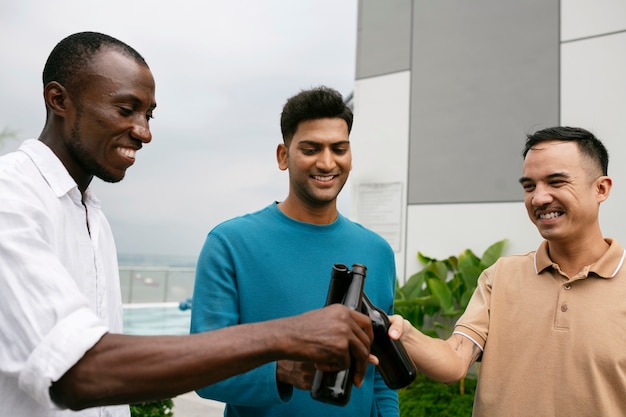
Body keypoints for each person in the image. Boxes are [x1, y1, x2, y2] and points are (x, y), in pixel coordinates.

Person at [0, 32, 376, 417]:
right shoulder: (11, 200)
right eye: (125, 109)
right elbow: (79, 373)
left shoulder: (91, 214)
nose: (144, 131)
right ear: (58, 99)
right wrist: (289, 336)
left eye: (148, 114)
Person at [389, 126, 626, 416]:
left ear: (601, 188)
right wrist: (402, 333)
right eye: (529, 186)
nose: (539, 199)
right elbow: (454, 360)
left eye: (556, 182)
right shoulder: (500, 277)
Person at [190, 86, 398, 416]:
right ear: (283, 156)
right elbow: (203, 370)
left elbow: (381, 373)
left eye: (338, 149)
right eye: (311, 149)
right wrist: (283, 371)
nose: (327, 162)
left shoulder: (378, 252)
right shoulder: (230, 244)